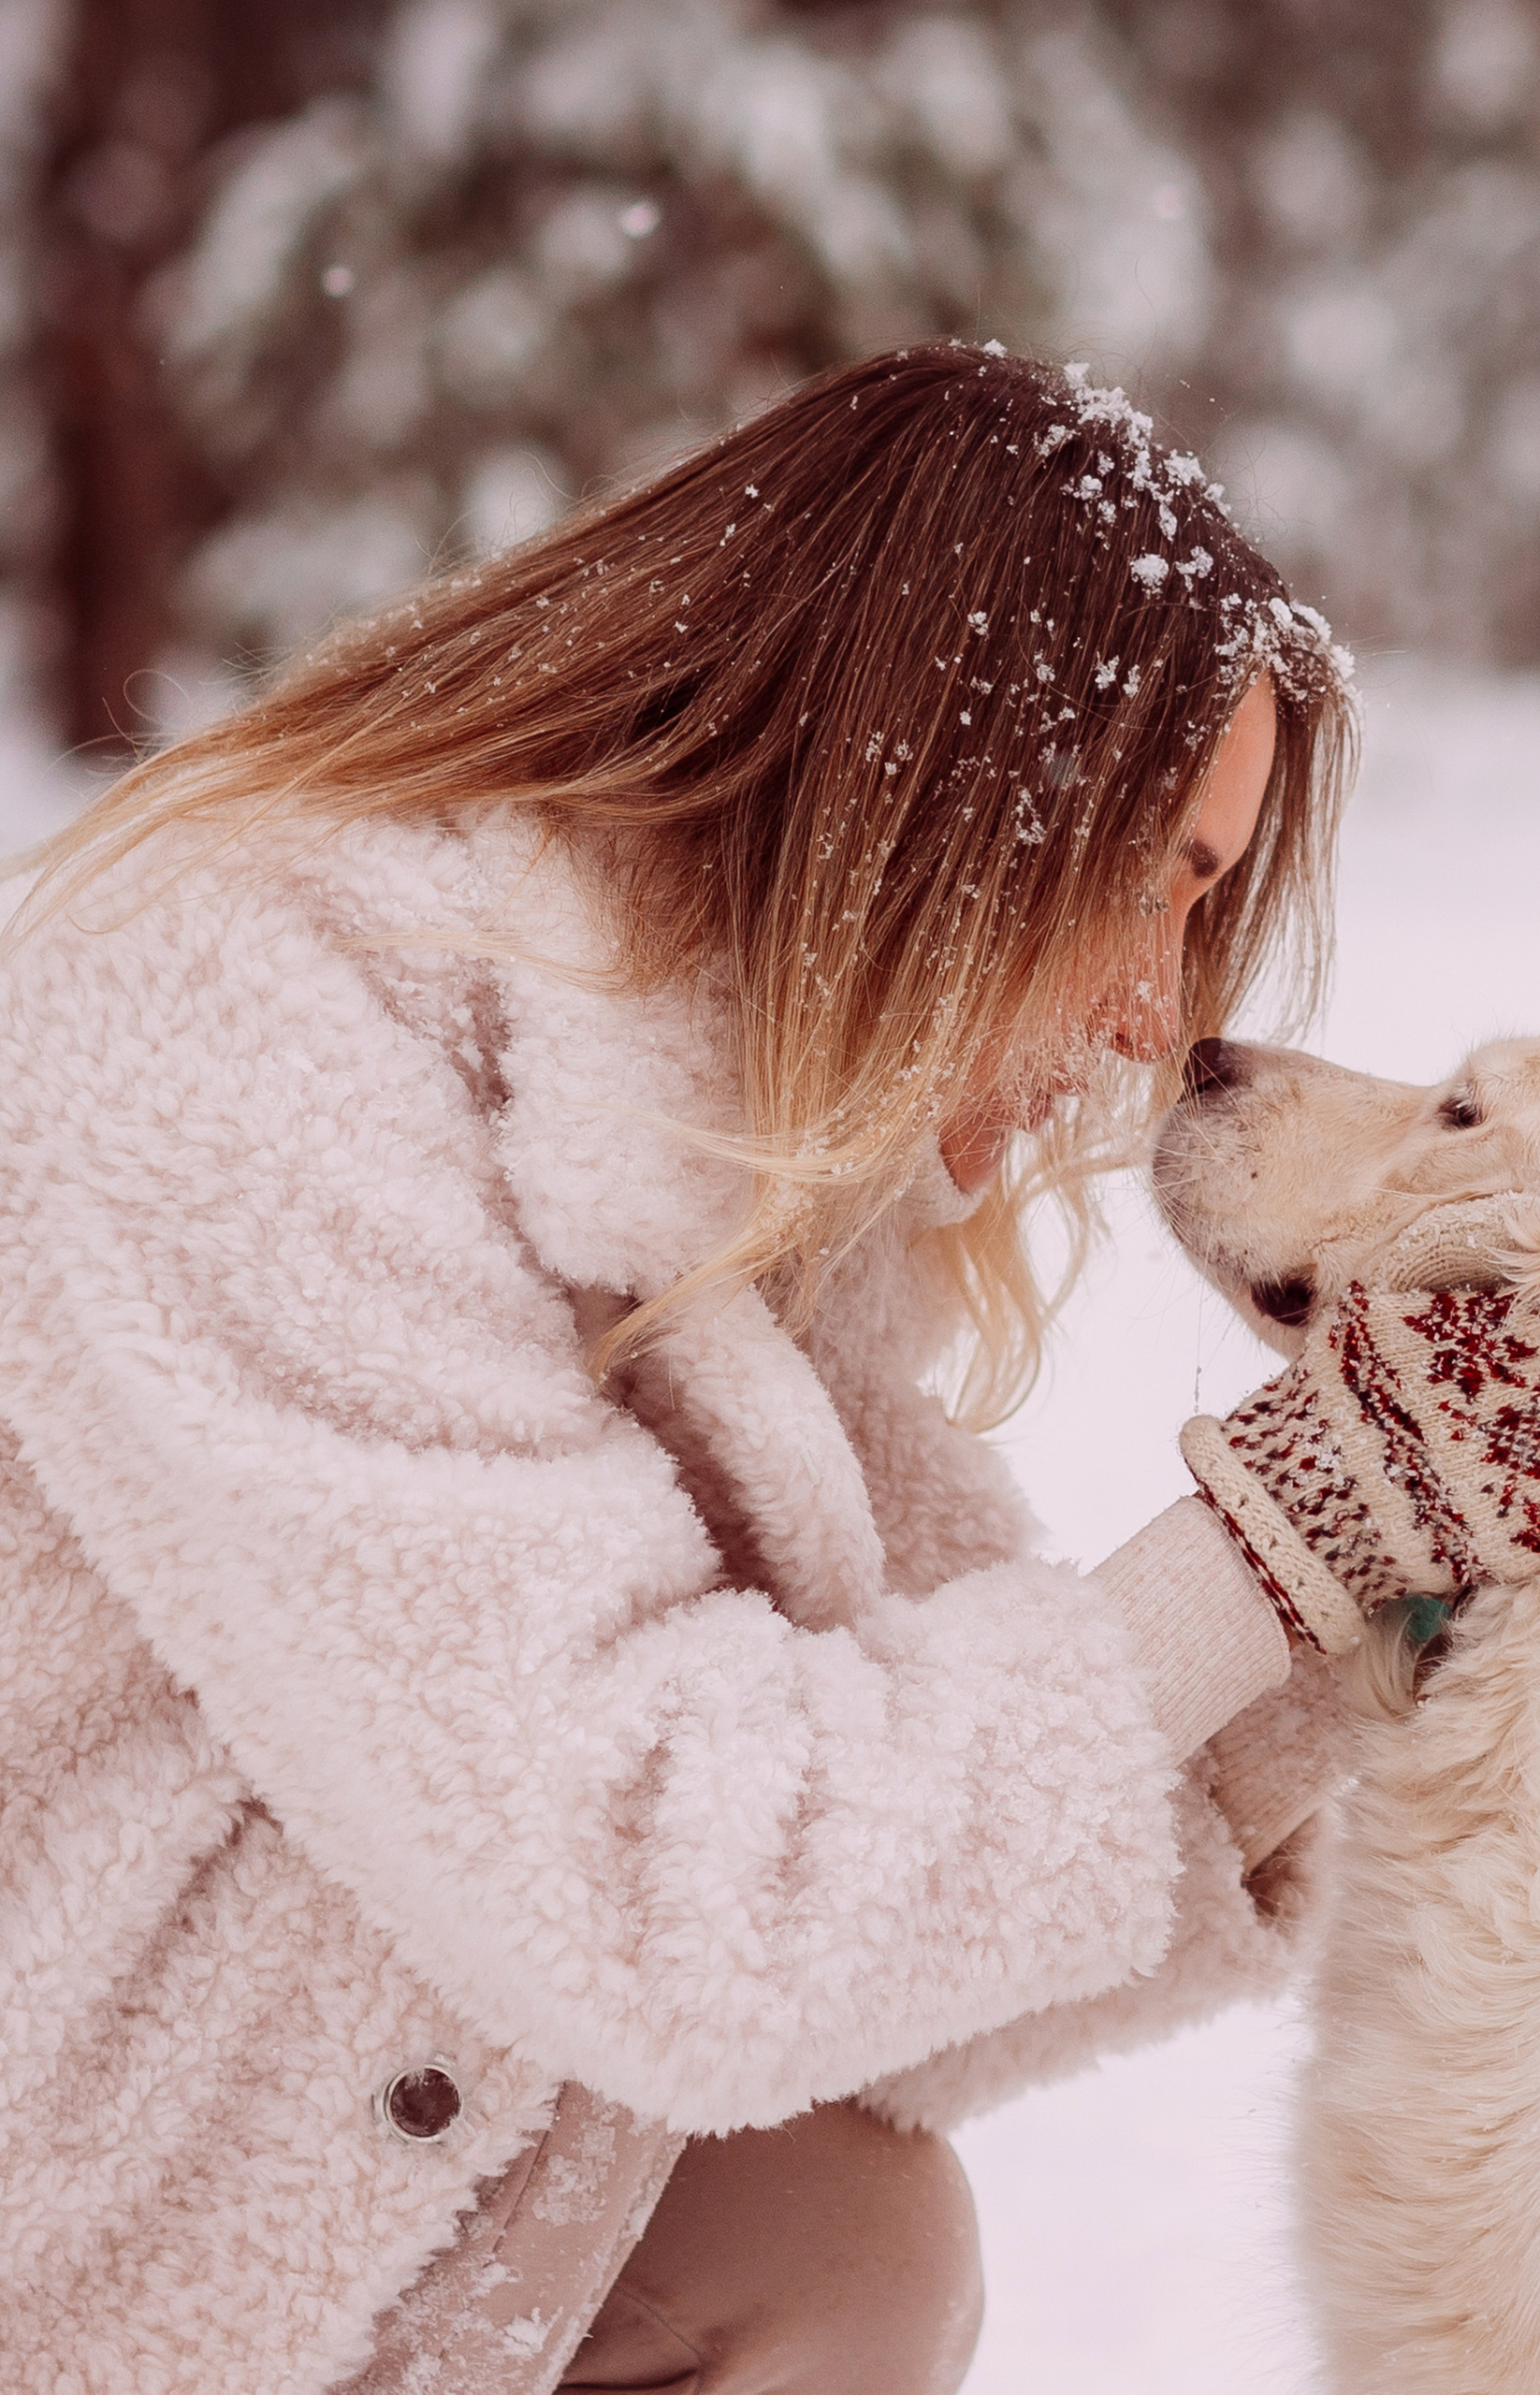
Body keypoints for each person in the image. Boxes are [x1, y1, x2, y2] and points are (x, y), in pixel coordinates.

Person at [0, 344, 1362, 2395]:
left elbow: (872, 1956)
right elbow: (656, 1894)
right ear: (947, 782)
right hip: (78, 2216)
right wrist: (1271, 1552)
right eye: (1151, 877)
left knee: (838, 2233)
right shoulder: (244, 1017)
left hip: (259, 2115)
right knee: (838, 2247)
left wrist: (1327, 1631)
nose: (1150, 1018)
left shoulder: (708, 1133)